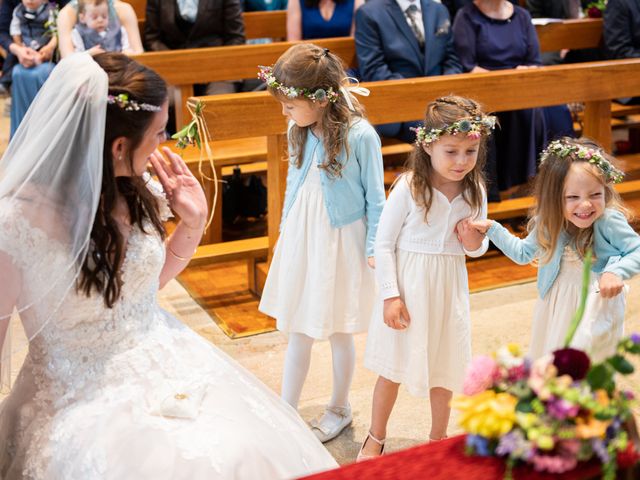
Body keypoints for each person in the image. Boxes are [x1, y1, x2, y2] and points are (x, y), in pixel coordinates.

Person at [0, 52, 338, 479]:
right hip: (79, 395)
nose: (166, 142)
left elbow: (137, 292)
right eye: (159, 133)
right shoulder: (17, 224)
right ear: (119, 146)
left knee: (244, 451)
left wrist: (193, 223)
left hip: (164, 353)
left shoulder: (133, 186)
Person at [257, 44, 386, 443]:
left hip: (340, 240)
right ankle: (286, 408)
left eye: (290, 104)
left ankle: (339, 407)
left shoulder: (361, 135)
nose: (285, 111)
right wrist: (284, 231)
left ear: (318, 99)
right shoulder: (299, 130)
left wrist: (373, 248)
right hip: (303, 235)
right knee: (298, 325)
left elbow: (376, 198)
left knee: (338, 330)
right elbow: (295, 183)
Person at [358, 96, 493, 460]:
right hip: (409, 288)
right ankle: (375, 436)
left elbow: (476, 247)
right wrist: (390, 295)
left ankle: (438, 438)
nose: (462, 161)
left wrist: (472, 242)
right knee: (392, 367)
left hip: (447, 290)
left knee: (444, 367)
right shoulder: (410, 186)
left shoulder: (474, 190)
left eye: (471, 151)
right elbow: (383, 244)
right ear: (429, 145)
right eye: (452, 151)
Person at [464, 138, 640, 361]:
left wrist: (616, 272)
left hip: (595, 304)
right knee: (553, 357)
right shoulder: (548, 222)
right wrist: (493, 229)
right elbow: (522, 253)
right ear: (554, 198)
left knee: (590, 360)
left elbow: (636, 250)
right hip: (555, 303)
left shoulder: (608, 220)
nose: (585, 205)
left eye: (595, 195)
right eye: (573, 197)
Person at [453, 0, 571, 196]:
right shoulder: (466, 17)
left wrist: (525, 73)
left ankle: (553, 181)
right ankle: (519, 186)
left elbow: (534, 61)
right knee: (524, 112)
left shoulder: (521, 15)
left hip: (523, 86)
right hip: (486, 90)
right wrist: (505, 80)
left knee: (556, 110)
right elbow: (468, 66)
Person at [354, 0, 461, 143]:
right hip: (398, 105)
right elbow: (374, 70)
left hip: (442, 102)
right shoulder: (369, 13)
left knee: (478, 128)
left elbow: (451, 60)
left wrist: (444, 96)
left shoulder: (439, 9)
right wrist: (419, 95)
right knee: (443, 133)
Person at [0, 0, 69, 135]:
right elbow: (4, 31)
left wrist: (50, 47)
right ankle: (21, 135)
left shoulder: (52, 10)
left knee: (44, 72)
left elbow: (67, 25)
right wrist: (19, 49)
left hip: (54, 52)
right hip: (23, 54)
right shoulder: (17, 9)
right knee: (18, 72)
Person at [57, 0, 143, 58]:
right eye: (94, 17)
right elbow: (67, 59)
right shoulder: (66, 14)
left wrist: (126, 54)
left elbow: (138, 52)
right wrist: (88, 55)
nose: (100, 20)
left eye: (104, 16)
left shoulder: (123, 9)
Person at [286, 0, 363, 40]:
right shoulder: (296, 1)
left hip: (345, 63)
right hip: (309, 62)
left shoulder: (357, 1)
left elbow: (354, 42)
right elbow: (293, 42)